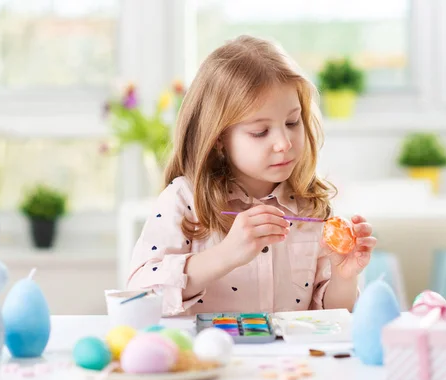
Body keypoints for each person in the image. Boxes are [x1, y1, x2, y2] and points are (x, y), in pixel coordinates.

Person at [127, 35, 376, 316]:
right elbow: (138, 295)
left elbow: (332, 316)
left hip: (289, 360)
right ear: (219, 138)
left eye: (292, 122)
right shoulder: (185, 201)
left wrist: (344, 276)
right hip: (208, 358)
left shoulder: (311, 206)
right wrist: (226, 254)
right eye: (260, 131)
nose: (284, 142)